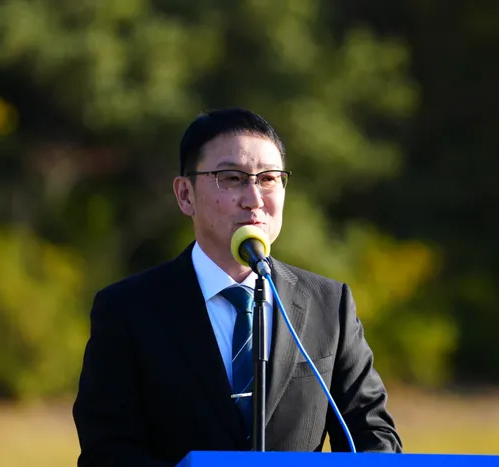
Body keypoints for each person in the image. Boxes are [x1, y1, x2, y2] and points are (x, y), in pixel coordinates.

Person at [72, 108, 403, 466]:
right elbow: (107, 450)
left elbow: (374, 436)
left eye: (269, 179)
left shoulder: (329, 303)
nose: (255, 198)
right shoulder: (127, 309)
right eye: (231, 178)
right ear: (185, 195)